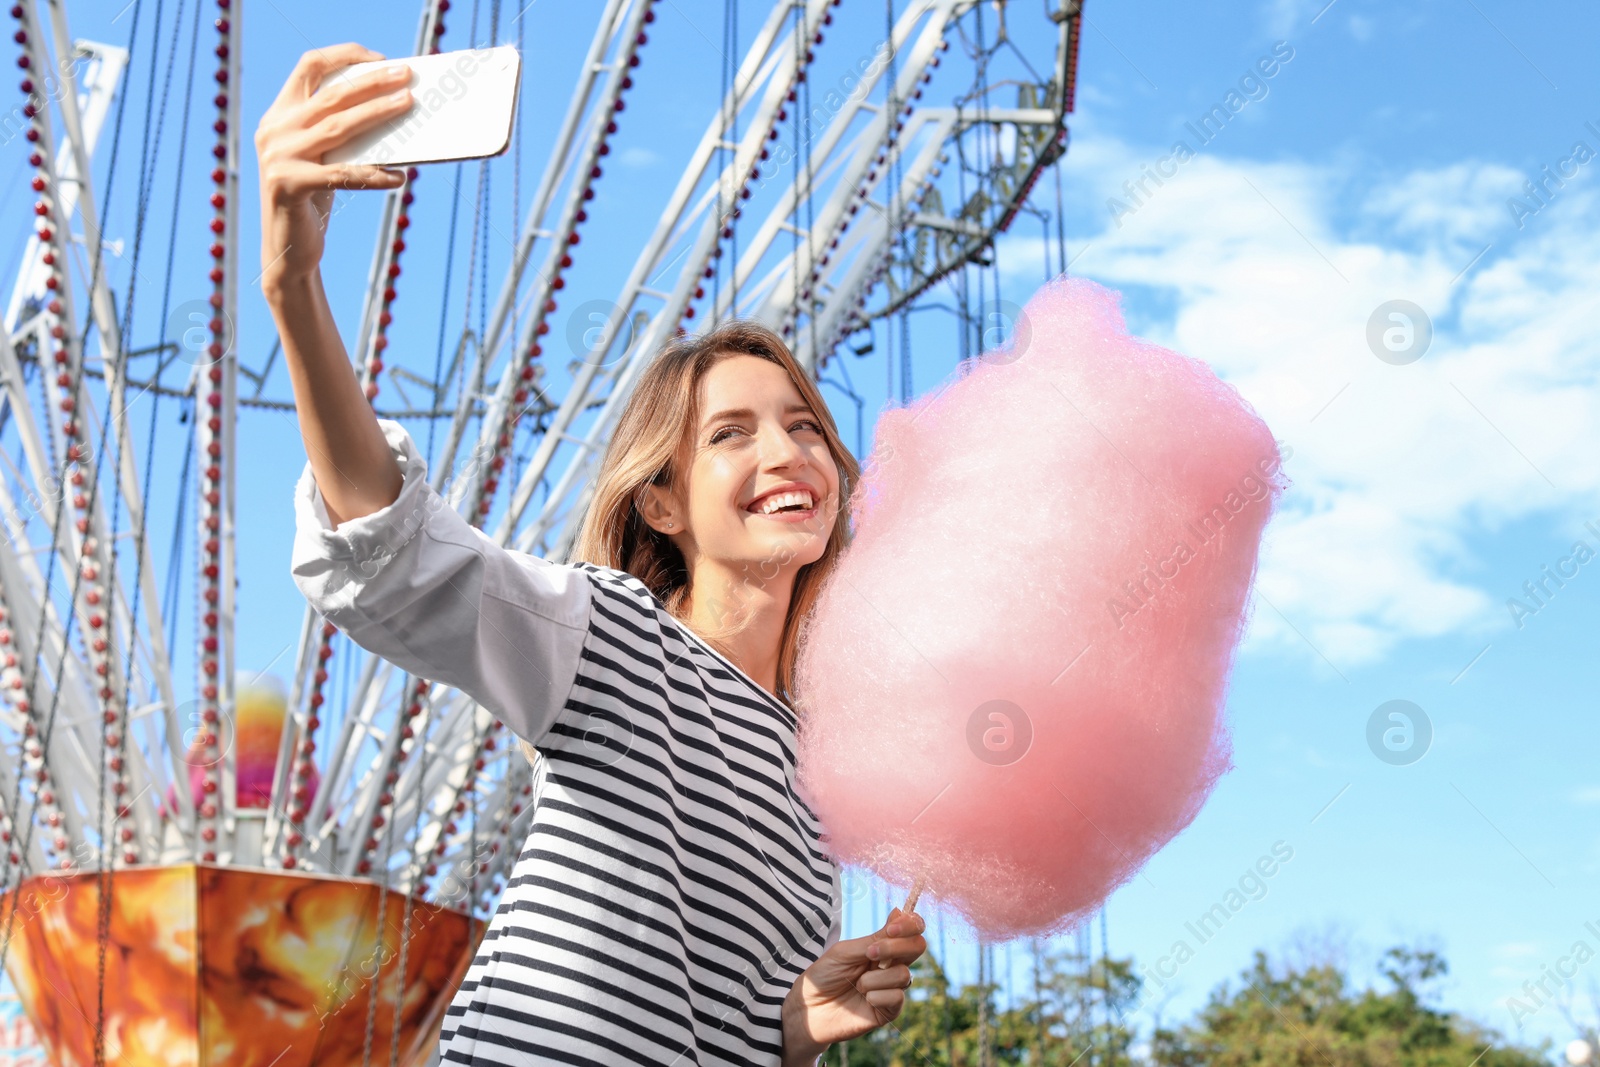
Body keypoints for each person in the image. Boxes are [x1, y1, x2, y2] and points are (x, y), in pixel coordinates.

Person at [256, 44, 928, 1066]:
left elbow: (717, 1028)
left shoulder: (822, 770)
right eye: (730, 433)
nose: (788, 453)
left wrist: (797, 1024)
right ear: (660, 501)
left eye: (804, 425)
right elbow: (392, 551)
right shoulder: (607, 638)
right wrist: (295, 286)